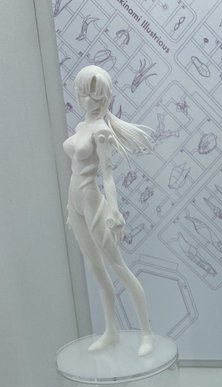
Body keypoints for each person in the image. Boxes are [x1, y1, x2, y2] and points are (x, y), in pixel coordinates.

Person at [63, 64, 154, 356]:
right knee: (95, 268)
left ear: (104, 96)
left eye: (94, 94)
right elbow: (74, 169)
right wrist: (69, 209)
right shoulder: (82, 126)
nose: (87, 100)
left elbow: (108, 176)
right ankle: (111, 332)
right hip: (75, 202)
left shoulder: (101, 131)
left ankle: (146, 333)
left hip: (92, 201)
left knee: (118, 268)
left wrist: (114, 212)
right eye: (82, 93)